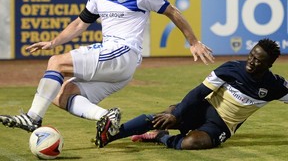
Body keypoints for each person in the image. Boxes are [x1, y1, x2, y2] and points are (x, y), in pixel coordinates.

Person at [0, 0, 214, 142]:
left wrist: (193, 41)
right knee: (61, 95)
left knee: (56, 62)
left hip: (123, 53)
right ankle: (105, 117)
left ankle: (32, 118)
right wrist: (53, 42)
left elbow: (172, 11)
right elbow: (79, 23)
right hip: (118, 68)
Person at [96, 38, 288, 150]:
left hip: (222, 125)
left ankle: (160, 137)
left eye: (258, 60)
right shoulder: (231, 68)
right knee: (165, 115)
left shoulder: (274, 86)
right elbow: (199, 93)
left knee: (192, 142)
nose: (251, 61)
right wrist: (176, 114)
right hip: (205, 109)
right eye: (251, 55)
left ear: (269, 65)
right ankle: (111, 135)